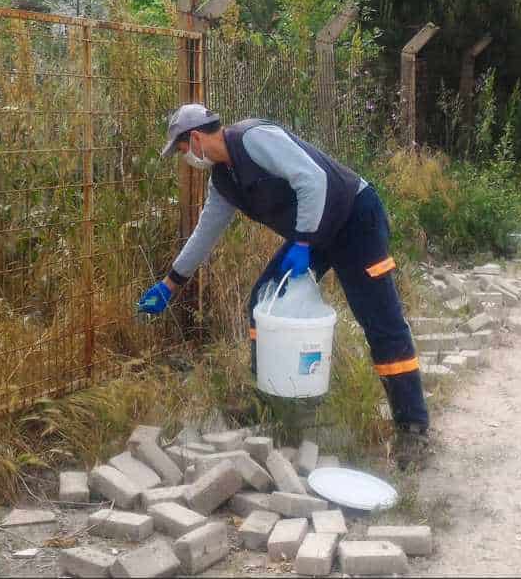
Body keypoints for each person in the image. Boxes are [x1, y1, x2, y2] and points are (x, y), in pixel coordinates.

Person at [136, 104, 431, 469]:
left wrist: (303, 242)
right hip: (313, 234)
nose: (185, 159)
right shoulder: (223, 181)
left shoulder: (254, 139)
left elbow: (313, 179)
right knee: (263, 302)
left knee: (381, 322)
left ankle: (413, 428)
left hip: (355, 219)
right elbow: (205, 232)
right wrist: (171, 283)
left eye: (182, 151)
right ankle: (272, 405)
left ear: (195, 138)